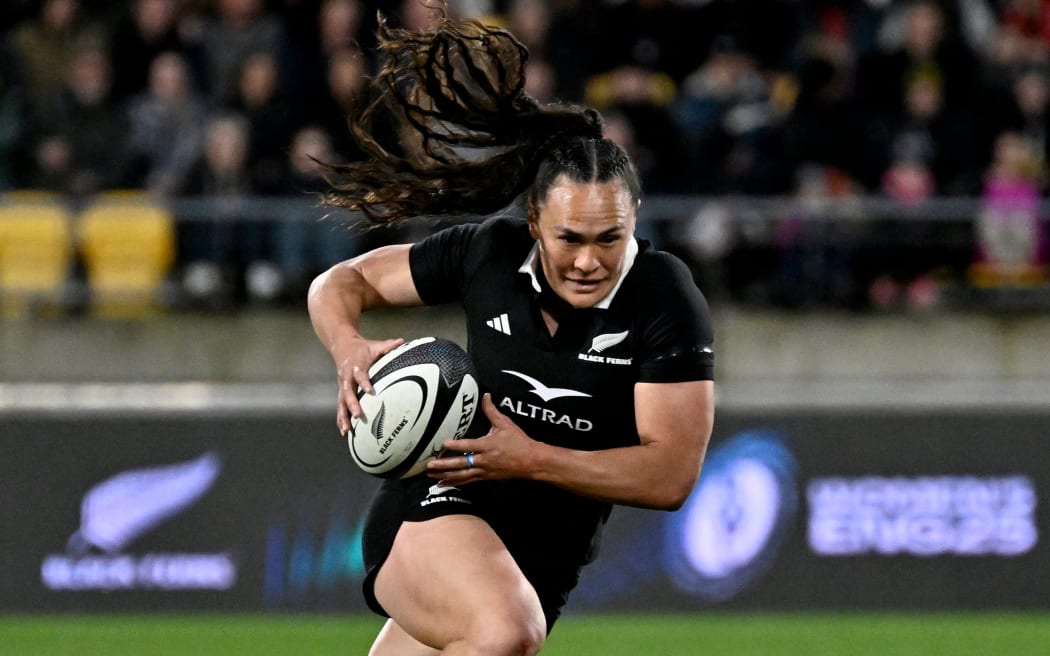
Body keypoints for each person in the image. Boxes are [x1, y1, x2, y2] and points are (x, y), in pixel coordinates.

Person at [307, 12, 715, 655]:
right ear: (533, 221)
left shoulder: (663, 298)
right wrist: (348, 348)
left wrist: (532, 459)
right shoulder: (486, 255)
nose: (589, 261)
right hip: (437, 505)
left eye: (610, 238)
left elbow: (669, 477)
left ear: (633, 218)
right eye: (569, 239)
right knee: (504, 631)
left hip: (545, 561)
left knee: (508, 629)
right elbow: (339, 283)